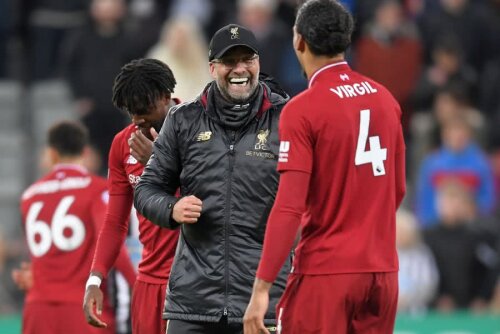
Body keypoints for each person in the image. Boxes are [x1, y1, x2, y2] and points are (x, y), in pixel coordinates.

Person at [243, 1, 406, 333]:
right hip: (383, 274)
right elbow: (397, 190)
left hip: (326, 273)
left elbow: (289, 207)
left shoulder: (303, 110)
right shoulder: (385, 99)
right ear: (345, 40)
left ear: (298, 40)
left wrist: (261, 289)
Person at [134, 24, 291, 334]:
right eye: (229, 61)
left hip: (264, 301)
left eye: (247, 59)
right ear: (212, 68)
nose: (240, 69)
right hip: (193, 303)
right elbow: (147, 188)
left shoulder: (287, 119)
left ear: (258, 62)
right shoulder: (183, 120)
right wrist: (171, 208)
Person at [83, 58, 180, 334]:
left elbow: (215, 202)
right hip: (148, 282)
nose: (137, 119)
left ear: (166, 97)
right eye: (130, 112)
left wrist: (159, 161)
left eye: (143, 109)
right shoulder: (122, 145)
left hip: (194, 281)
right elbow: (115, 222)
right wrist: (95, 279)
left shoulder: (199, 133)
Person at [18, 121, 136, 334]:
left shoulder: (29, 196)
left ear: (51, 154)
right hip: (83, 308)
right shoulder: (97, 190)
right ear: (86, 151)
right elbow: (112, 243)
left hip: (37, 309)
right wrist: (137, 285)